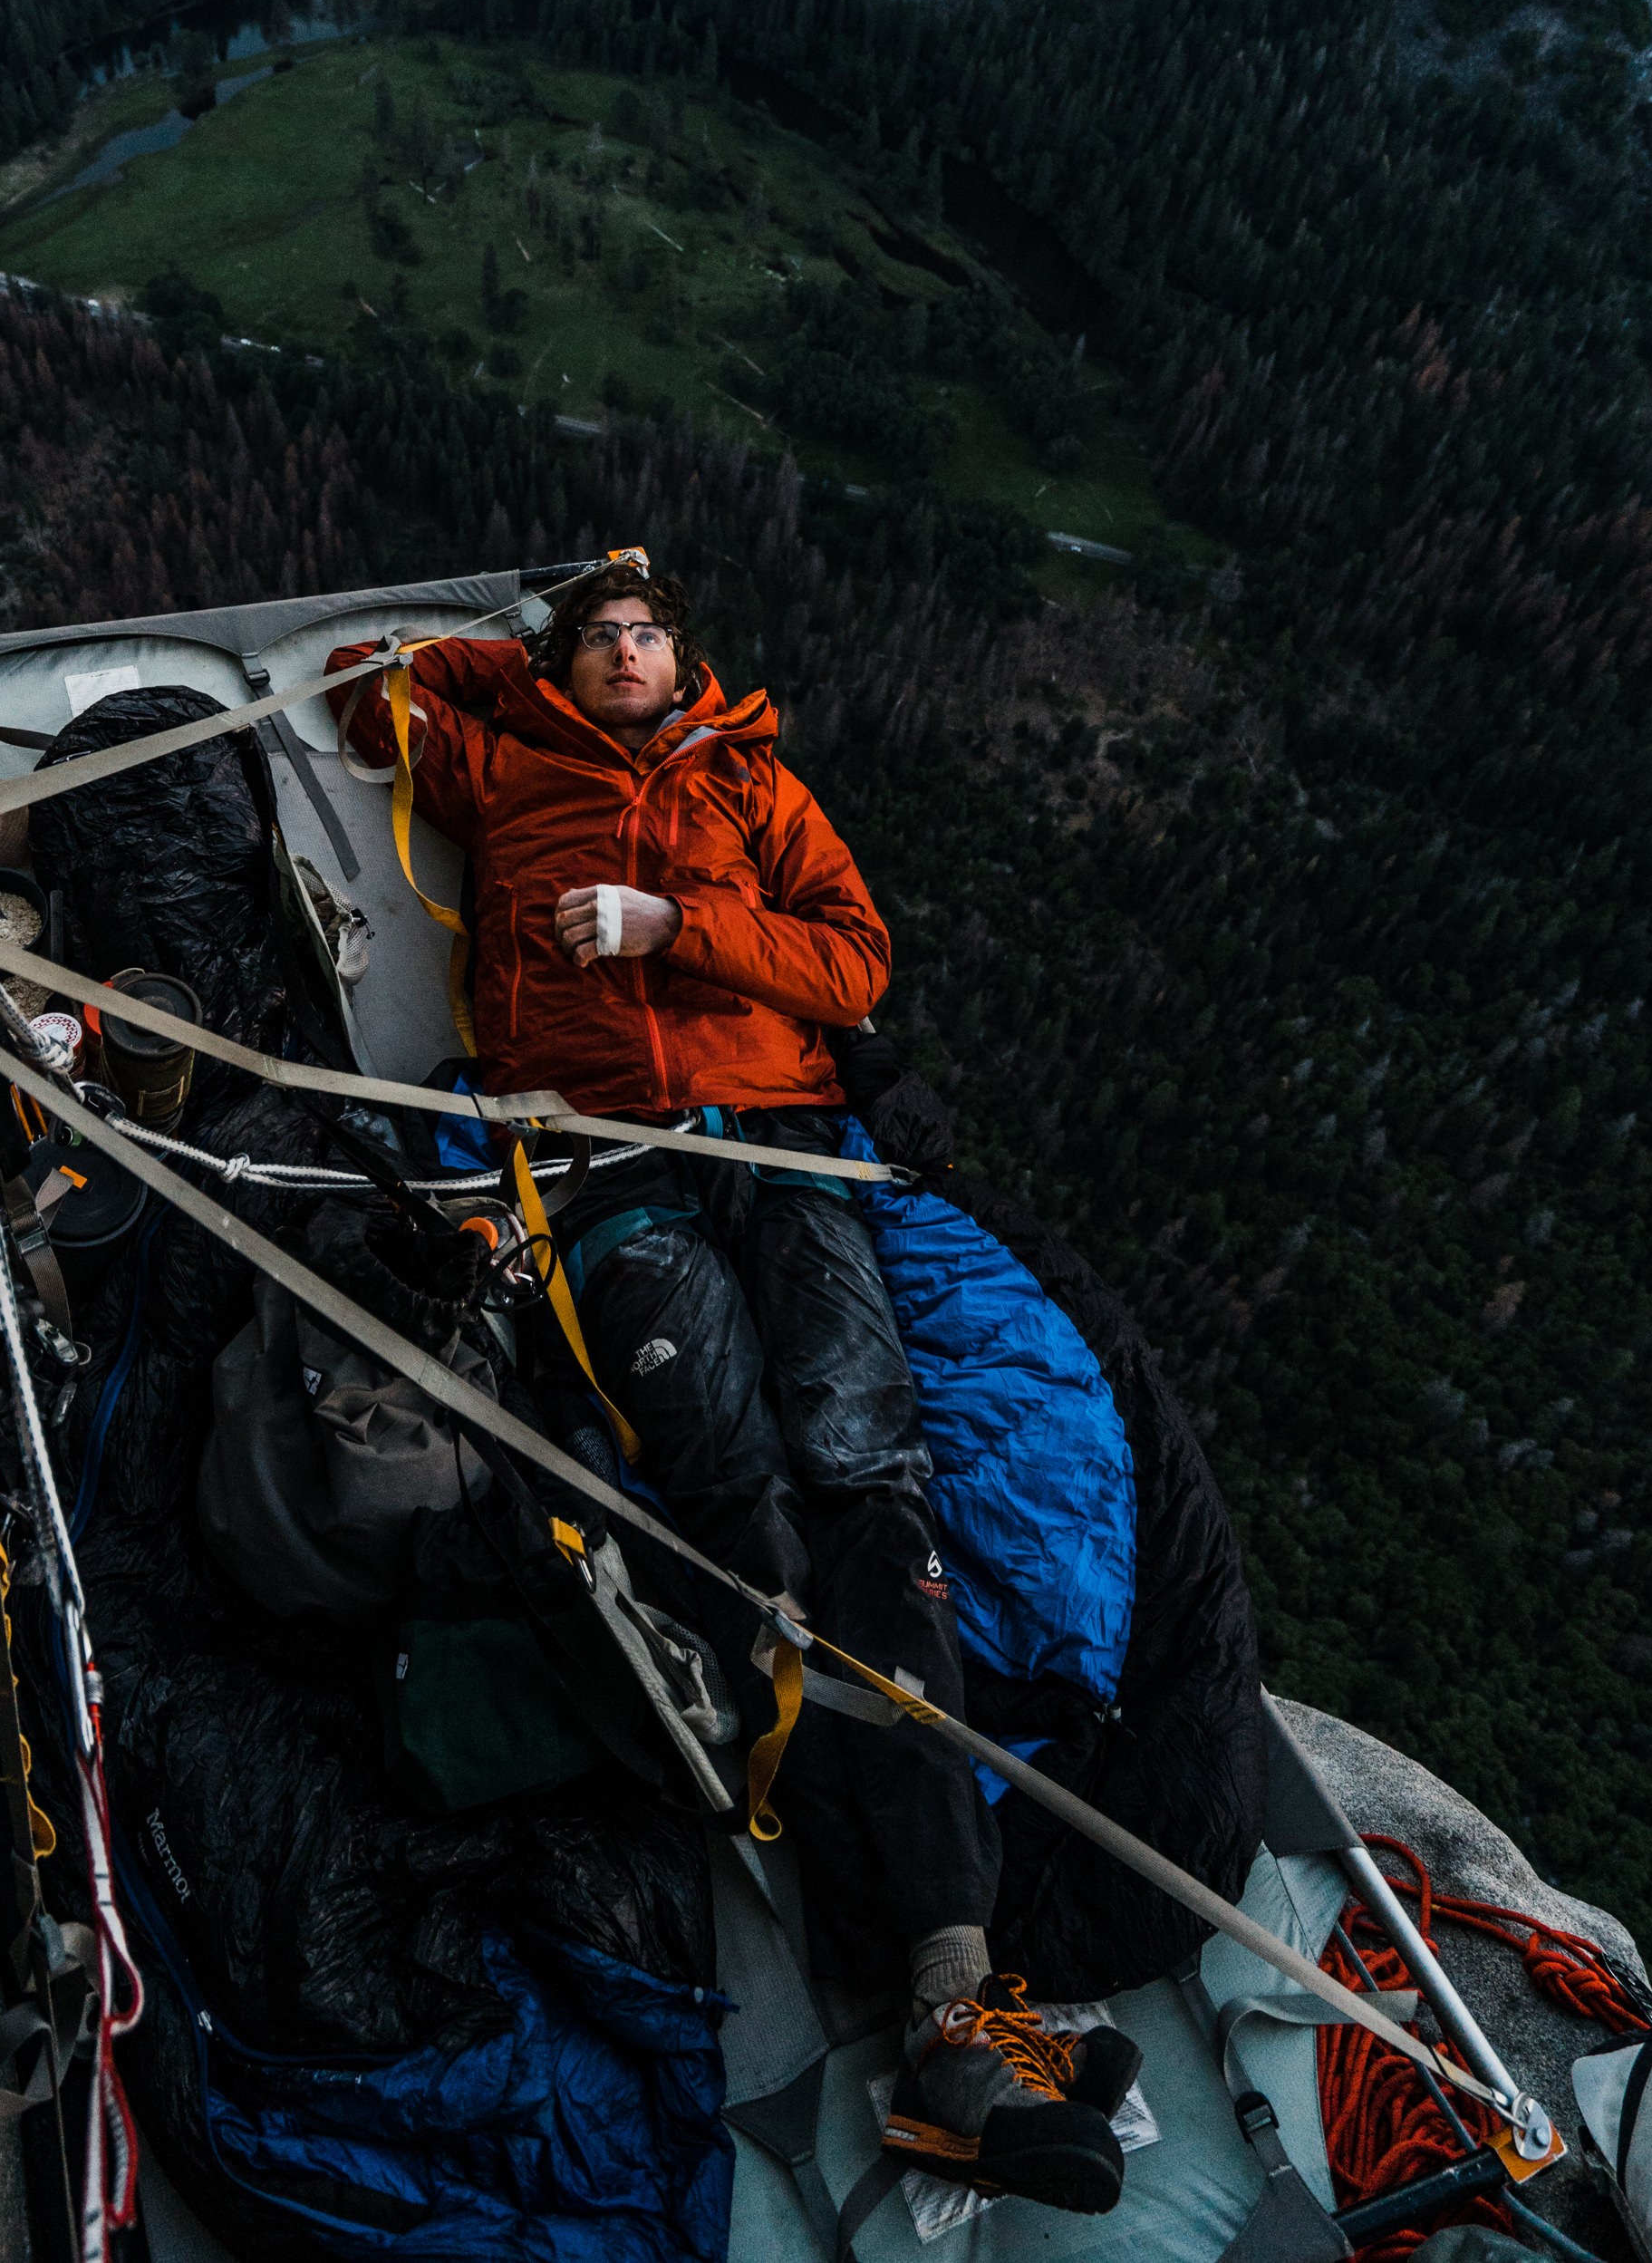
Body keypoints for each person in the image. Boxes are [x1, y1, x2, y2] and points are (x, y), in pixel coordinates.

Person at [329, 555, 1134, 2209]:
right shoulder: (504, 761)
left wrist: (671, 922)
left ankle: (947, 1991)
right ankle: (941, 2000)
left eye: (648, 633)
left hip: (782, 1147)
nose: (629, 652)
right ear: (561, 669)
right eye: (599, 640)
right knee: (725, 1485)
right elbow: (364, 681)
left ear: (687, 661)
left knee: (866, 1476)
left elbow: (853, 971)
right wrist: (527, 642)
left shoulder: (755, 781)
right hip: (602, 1160)